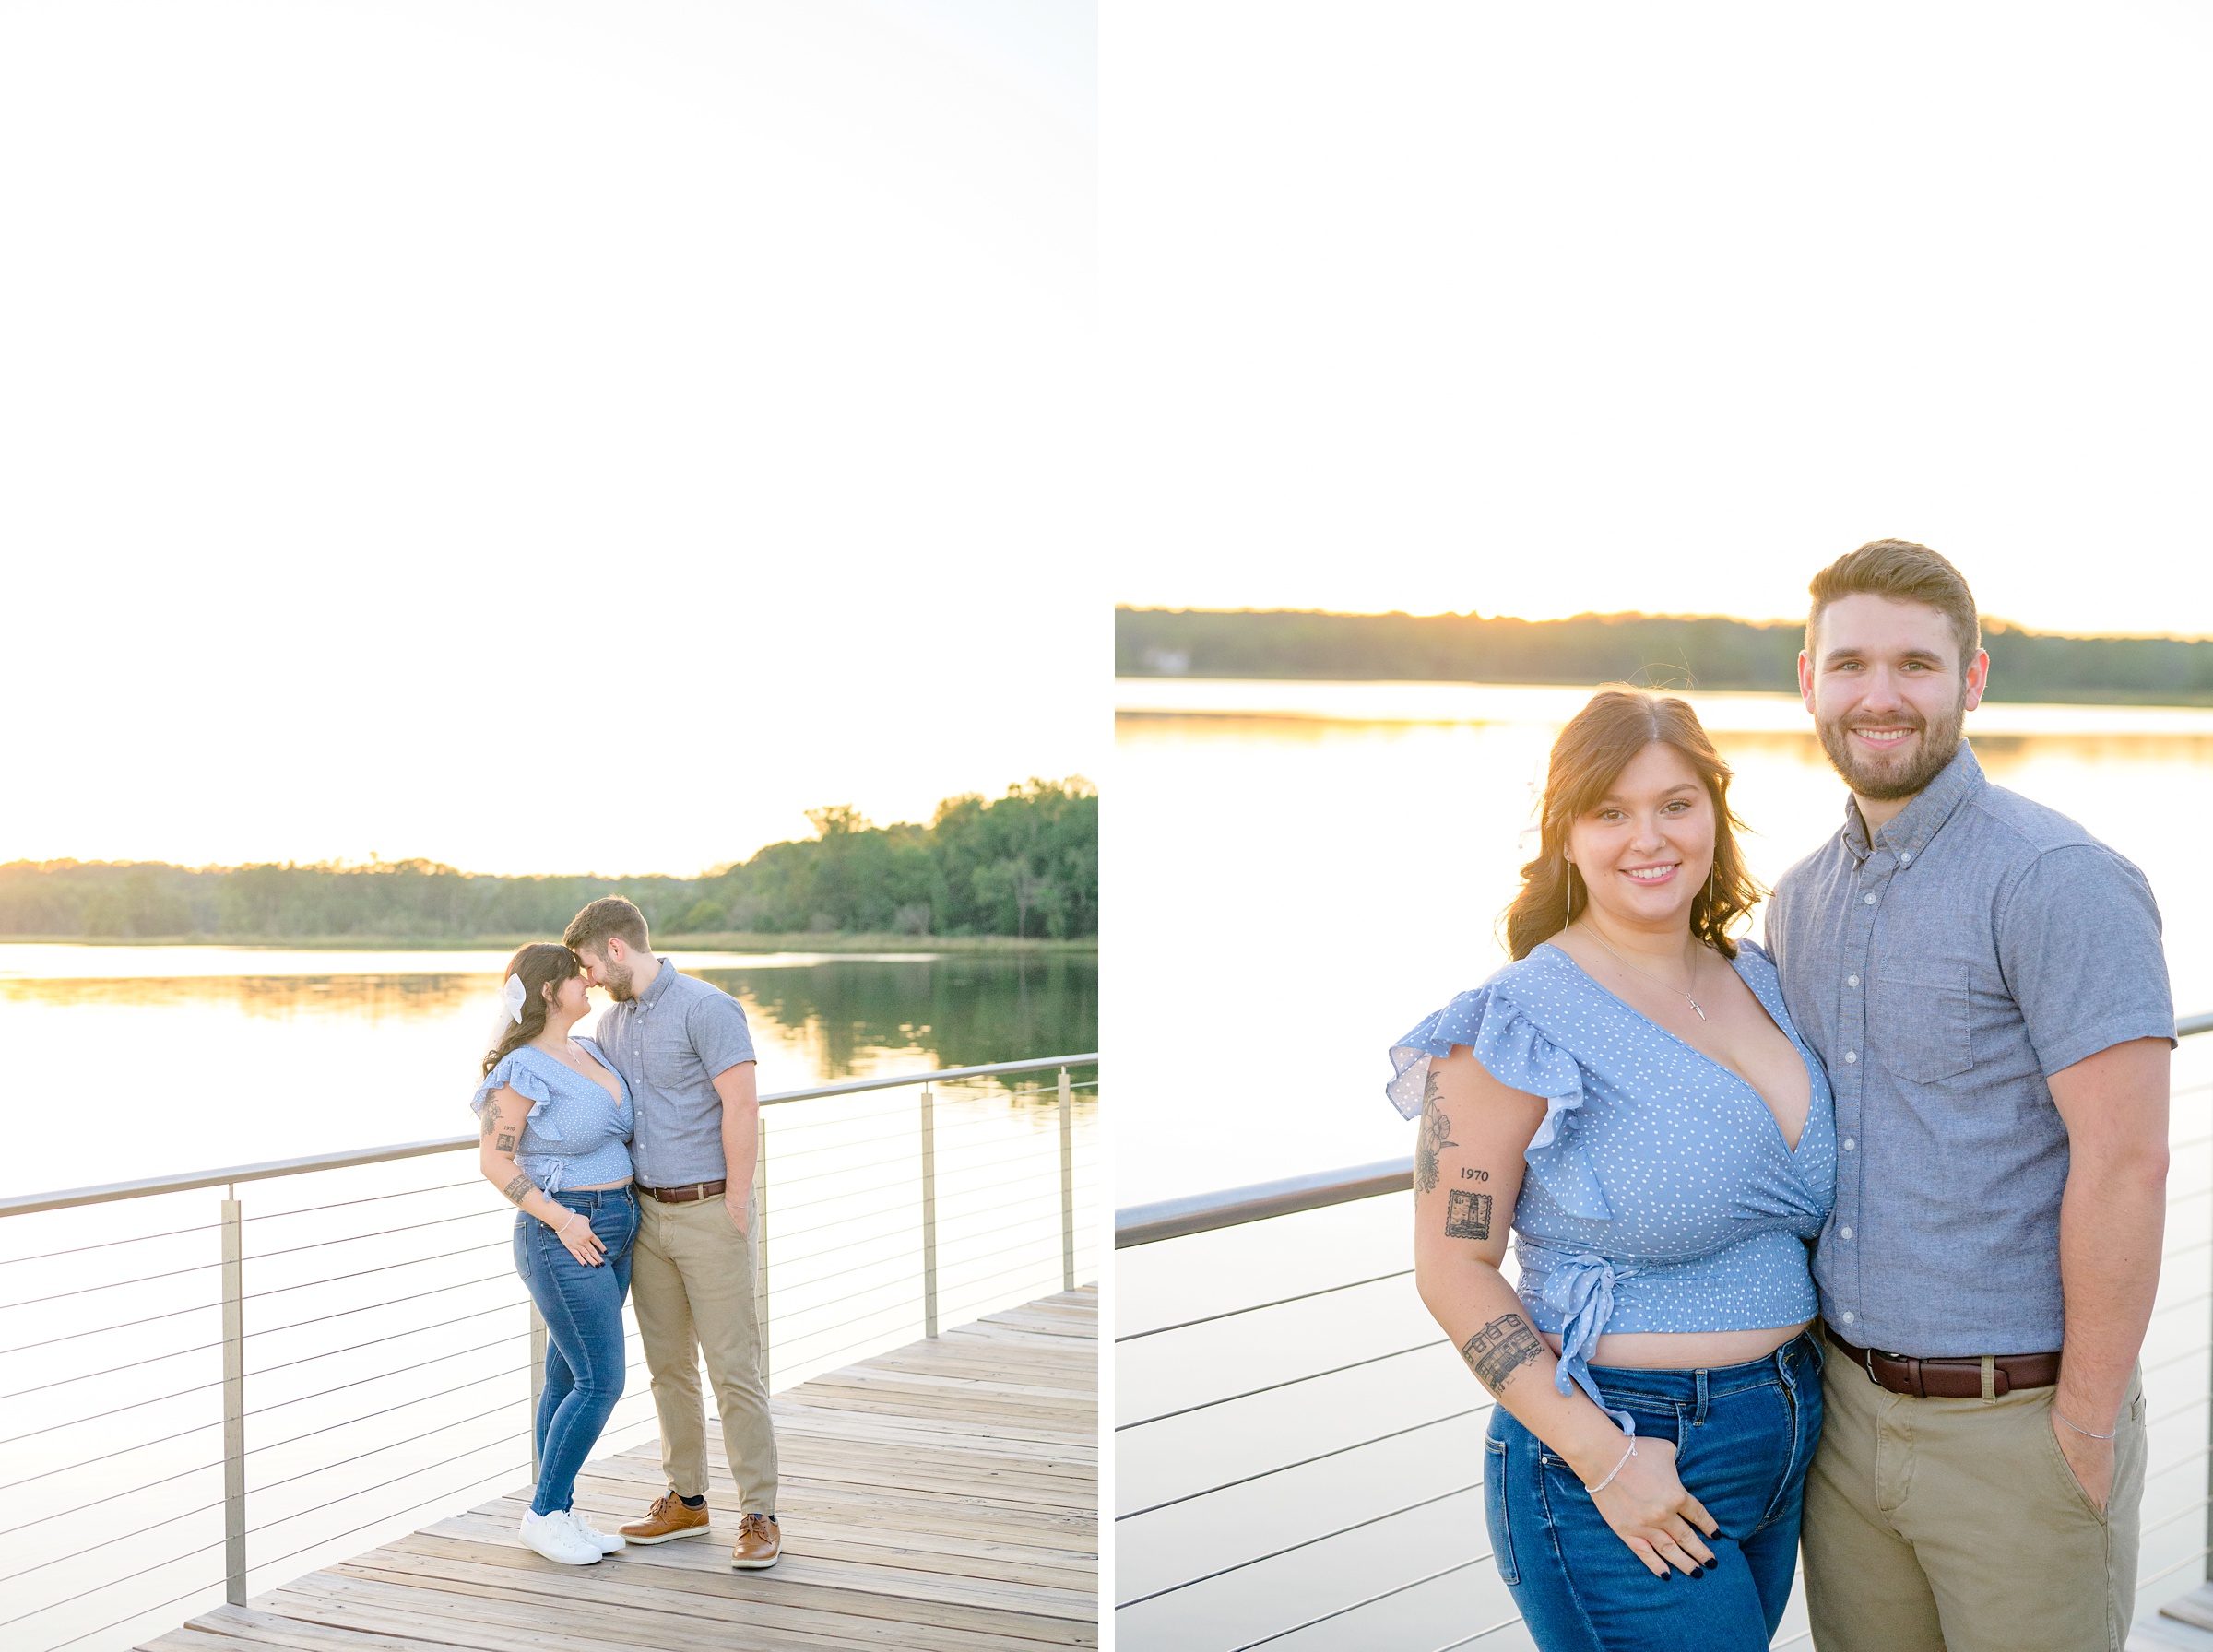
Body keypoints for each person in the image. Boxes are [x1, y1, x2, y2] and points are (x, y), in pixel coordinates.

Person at [1769, 540, 2175, 1652]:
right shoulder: (1796, 902)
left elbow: (2129, 1162)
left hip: (2021, 1431)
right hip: (1844, 1422)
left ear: (1973, 679)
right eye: (1850, 664)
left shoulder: (2057, 879)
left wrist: (2084, 1424)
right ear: (1808, 680)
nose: (1880, 695)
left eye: (1915, 663)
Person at [1391, 689, 1835, 1651]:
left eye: (1677, 803)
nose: (1651, 836)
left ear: (1714, 810)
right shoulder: (1515, 1022)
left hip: (1785, 1429)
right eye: (1611, 811)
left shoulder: (1758, 978)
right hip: (1618, 1448)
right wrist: (1605, 1460)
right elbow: (1452, 1266)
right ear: (1565, 834)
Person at [562, 896, 783, 1571]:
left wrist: (738, 1203)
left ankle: (760, 1513)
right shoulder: (609, 1027)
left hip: (712, 1210)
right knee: (667, 1368)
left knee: (733, 1369)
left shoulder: (707, 1008)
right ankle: (686, 1500)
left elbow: (741, 1104)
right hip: (645, 1216)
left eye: (591, 964)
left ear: (618, 949)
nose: (590, 978)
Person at [472, 941, 639, 1567]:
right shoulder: (521, 1070)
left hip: (616, 1225)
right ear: (549, 990)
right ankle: (543, 1515)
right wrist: (563, 1219)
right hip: (563, 1234)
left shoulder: (589, 1049)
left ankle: (559, 1509)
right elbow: (494, 1159)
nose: (589, 983)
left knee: (569, 1377)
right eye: (577, 977)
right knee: (602, 1379)